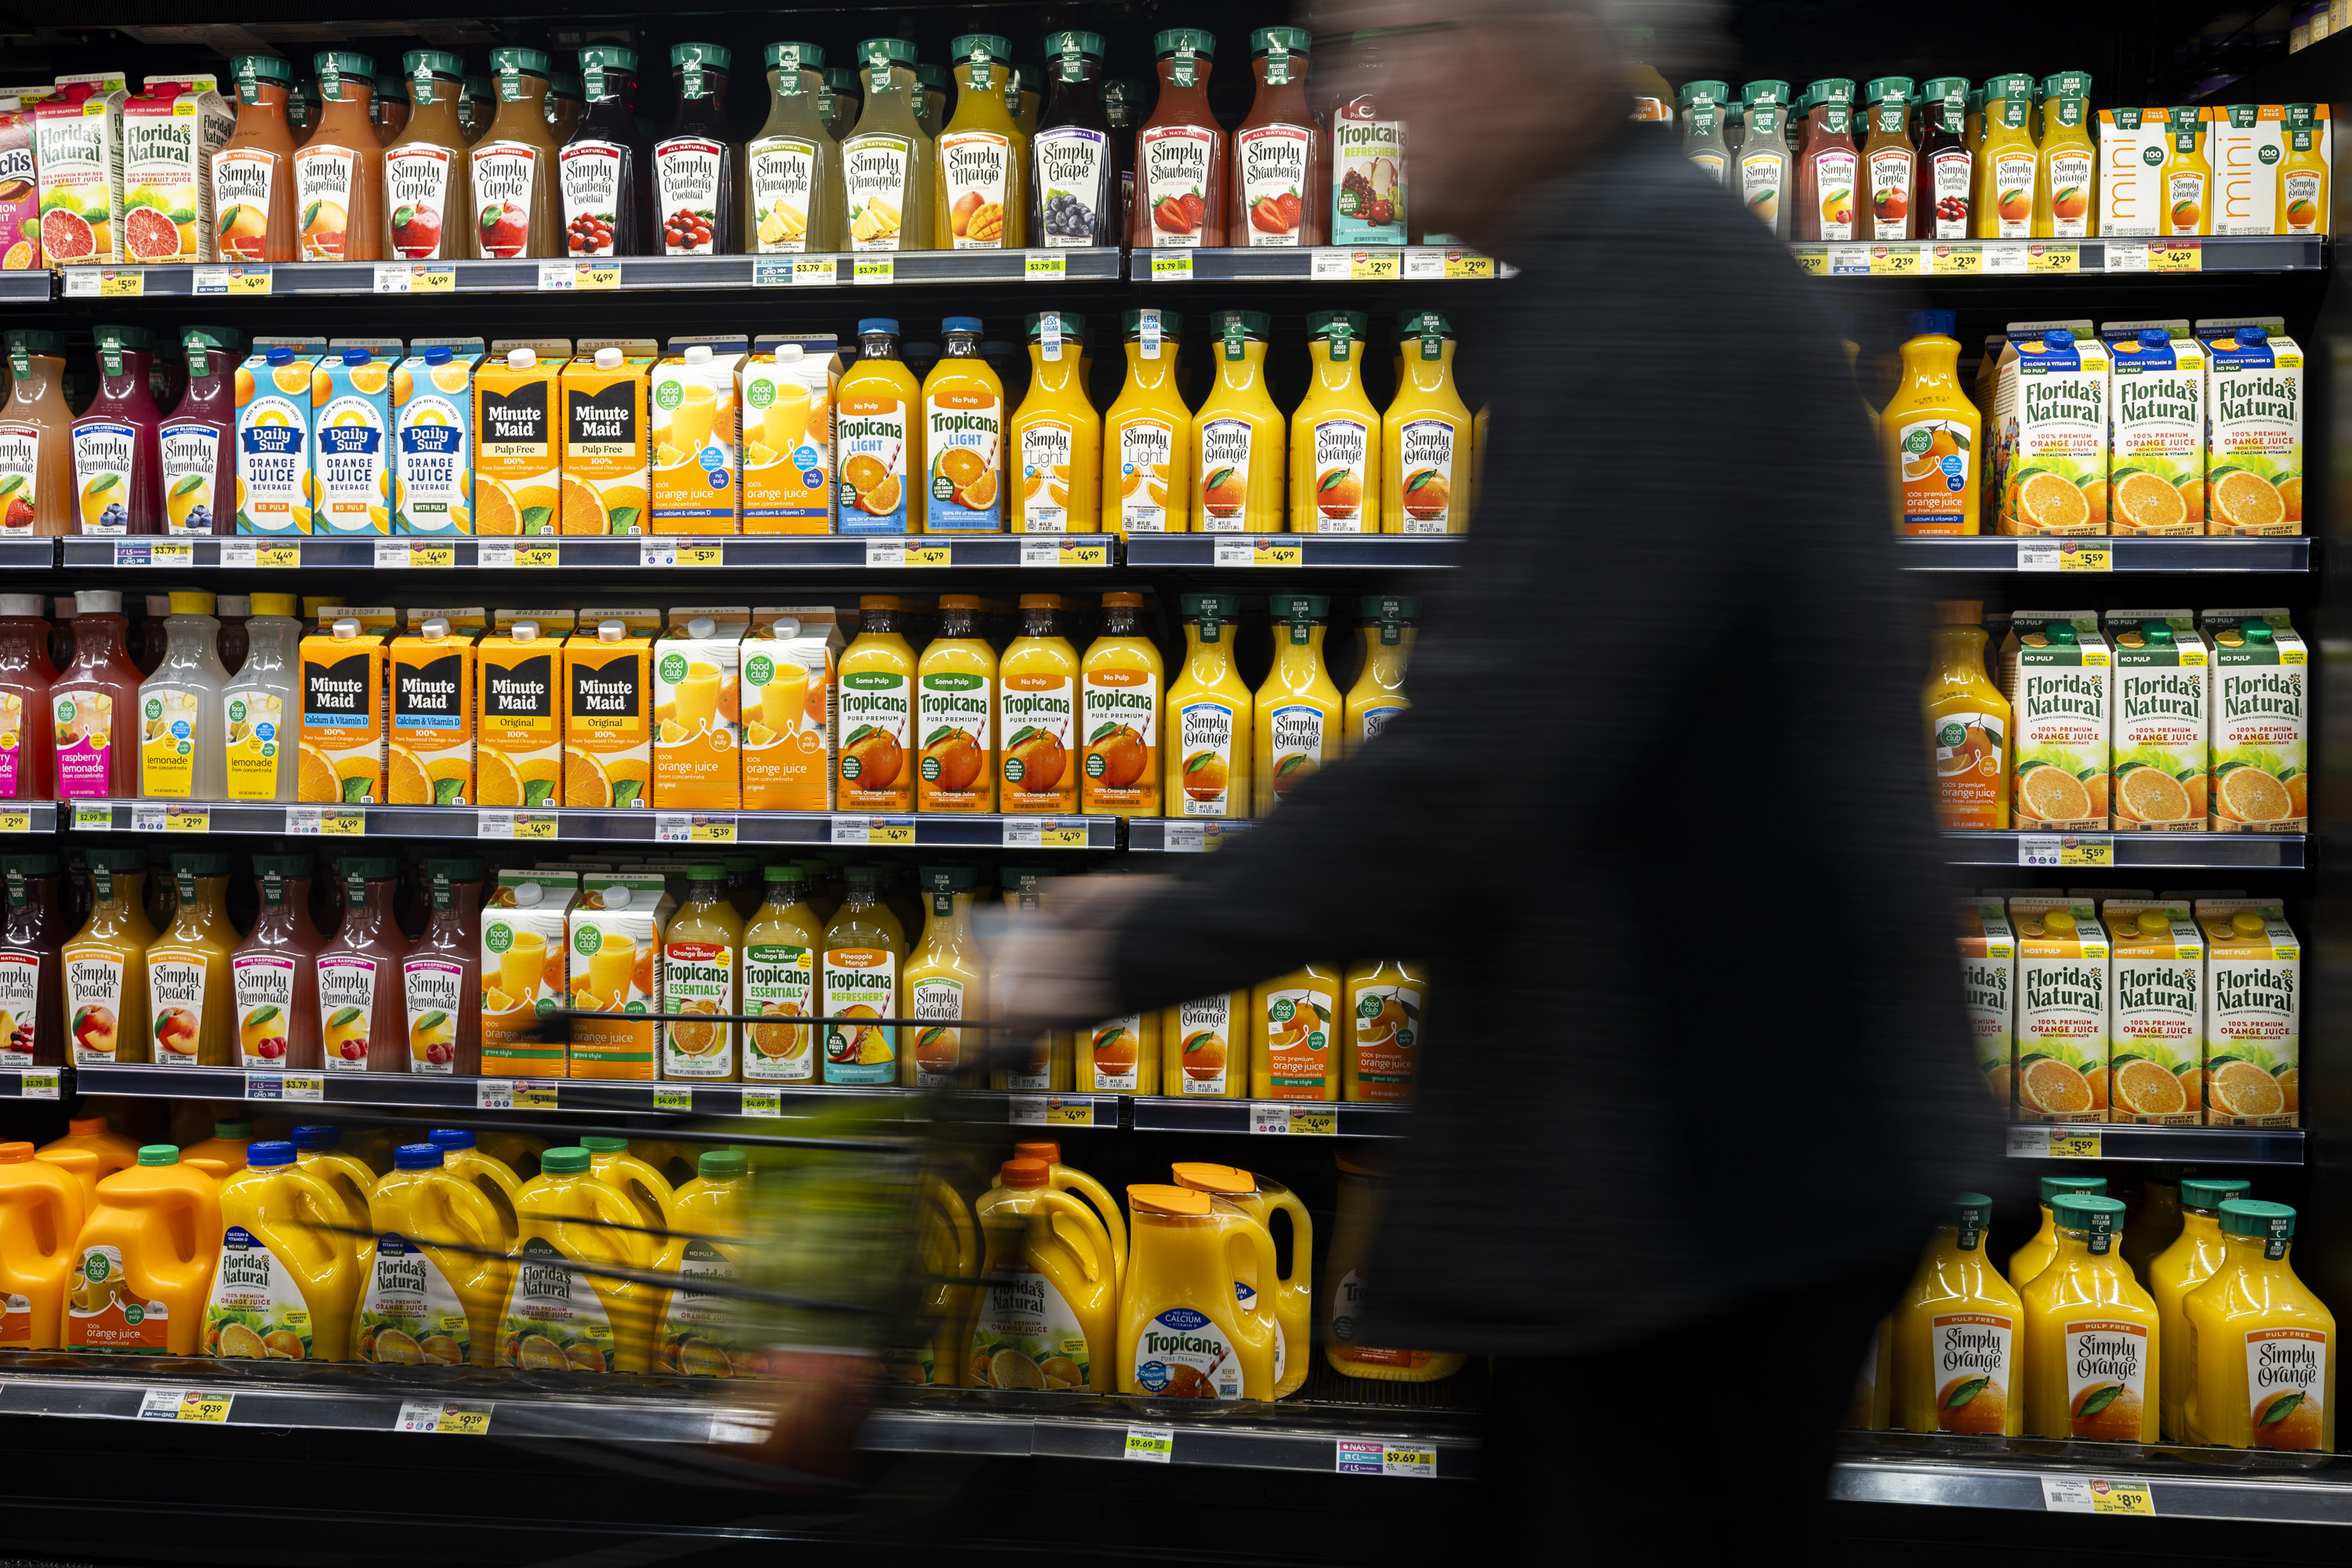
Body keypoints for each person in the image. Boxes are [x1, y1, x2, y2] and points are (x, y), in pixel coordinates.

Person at [993, 2, 2002, 1557]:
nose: (1366, 94)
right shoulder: (1615, 262)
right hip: (1710, 1154)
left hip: (1710, 1176)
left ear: (1541, 44)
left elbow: (1493, 748)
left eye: (1412, 38)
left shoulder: (1648, 281)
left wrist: (1130, 944)